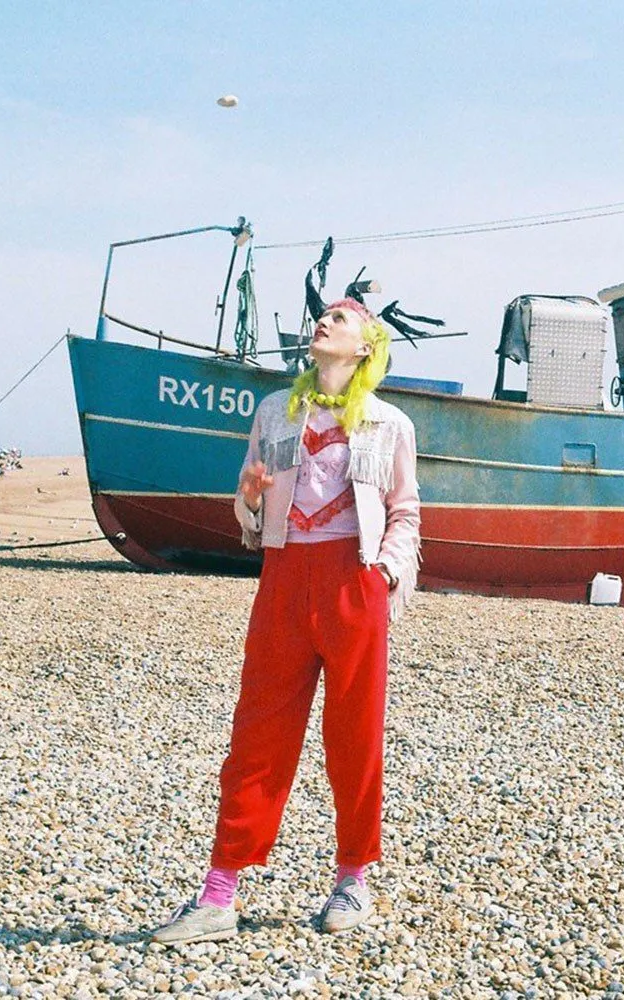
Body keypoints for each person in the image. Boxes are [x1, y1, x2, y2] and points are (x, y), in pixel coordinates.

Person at [152, 299, 421, 946]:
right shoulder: (276, 411)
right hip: (283, 576)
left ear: (365, 347)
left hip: (353, 580)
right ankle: (219, 894)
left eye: (340, 319)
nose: (324, 322)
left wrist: (383, 575)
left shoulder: (390, 423)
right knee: (257, 733)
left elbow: (405, 511)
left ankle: (353, 879)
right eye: (322, 316)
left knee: (355, 735)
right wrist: (248, 501)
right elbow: (248, 506)